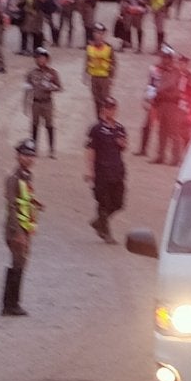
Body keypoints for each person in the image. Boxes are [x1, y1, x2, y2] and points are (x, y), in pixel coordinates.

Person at [1, 140, 38, 317]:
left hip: (25, 228)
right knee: (17, 264)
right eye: (25, 155)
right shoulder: (13, 178)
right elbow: (11, 206)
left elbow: (24, 199)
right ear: (18, 156)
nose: (29, 159)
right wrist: (17, 232)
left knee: (20, 264)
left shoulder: (26, 176)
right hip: (16, 229)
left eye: (31, 155)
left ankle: (12, 303)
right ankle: (10, 304)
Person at [85, 99, 129, 243]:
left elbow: (124, 146)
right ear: (103, 109)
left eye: (112, 108)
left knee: (118, 202)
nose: (110, 111)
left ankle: (99, 222)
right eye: (107, 108)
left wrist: (122, 143)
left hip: (117, 170)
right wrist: (90, 170)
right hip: (102, 171)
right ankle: (105, 233)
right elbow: (91, 150)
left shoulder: (120, 128)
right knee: (103, 202)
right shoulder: (97, 129)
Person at [25, 49, 63, 152]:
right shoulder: (32, 73)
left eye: (43, 58)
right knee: (34, 125)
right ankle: (33, 148)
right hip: (36, 102)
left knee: (49, 125)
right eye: (38, 58)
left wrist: (50, 87)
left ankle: (51, 149)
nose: (41, 60)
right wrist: (26, 102)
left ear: (47, 59)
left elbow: (60, 87)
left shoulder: (52, 73)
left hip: (47, 102)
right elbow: (27, 87)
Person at [84, 31, 116, 115]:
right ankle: (99, 119)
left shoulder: (108, 48)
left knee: (105, 100)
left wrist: (111, 77)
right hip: (94, 77)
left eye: (99, 34)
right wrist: (85, 74)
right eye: (96, 34)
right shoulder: (90, 48)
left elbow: (113, 63)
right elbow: (87, 61)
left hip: (104, 78)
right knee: (96, 100)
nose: (97, 36)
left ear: (103, 36)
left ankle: (106, 118)